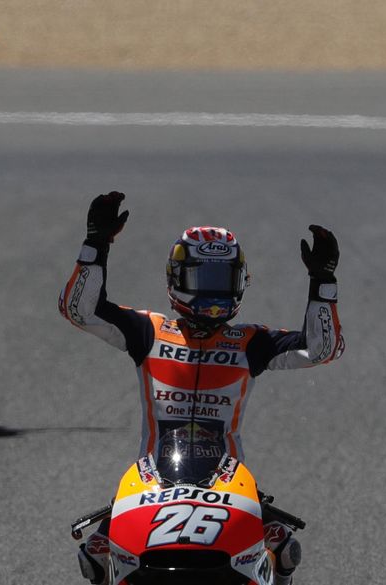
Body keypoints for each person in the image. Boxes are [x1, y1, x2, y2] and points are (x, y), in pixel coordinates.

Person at [59, 192, 345, 585]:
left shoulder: (250, 342)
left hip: (229, 483)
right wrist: (96, 243)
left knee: (284, 551)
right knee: (94, 555)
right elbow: (80, 310)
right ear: (178, 279)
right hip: (151, 480)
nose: (214, 293)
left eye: (223, 280)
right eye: (203, 279)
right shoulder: (149, 331)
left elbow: (322, 348)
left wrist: (323, 282)